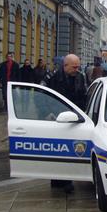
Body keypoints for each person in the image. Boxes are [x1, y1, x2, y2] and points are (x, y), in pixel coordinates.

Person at [44, 53, 87, 193]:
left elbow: (83, 96)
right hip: (58, 120)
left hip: (75, 120)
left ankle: (67, 179)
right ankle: (57, 180)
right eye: (74, 67)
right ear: (65, 65)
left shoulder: (80, 77)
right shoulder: (53, 79)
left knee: (70, 151)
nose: (76, 69)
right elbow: (45, 99)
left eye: (78, 67)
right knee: (58, 151)